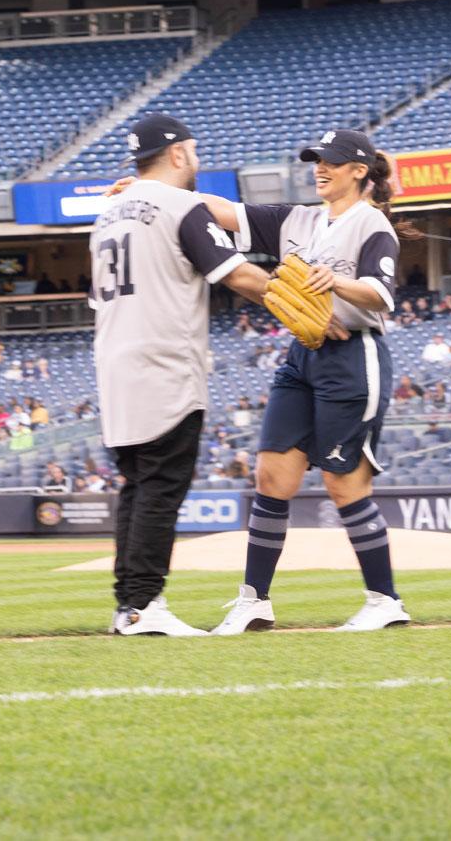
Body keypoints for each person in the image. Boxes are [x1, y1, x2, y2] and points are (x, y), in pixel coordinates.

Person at [188, 127, 415, 634]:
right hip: (302, 356)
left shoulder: (371, 224)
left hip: (354, 357)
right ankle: (254, 601)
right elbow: (214, 208)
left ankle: (385, 600)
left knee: (343, 482)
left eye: (331, 161)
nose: (320, 168)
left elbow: (381, 295)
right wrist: (148, 193)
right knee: (271, 477)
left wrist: (335, 281)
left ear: (359, 171)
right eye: (316, 160)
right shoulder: (297, 220)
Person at [93, 114, 271, 637]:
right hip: (164, 362)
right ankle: (144, 605)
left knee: (138, 485)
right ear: (177, 154)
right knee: (161, 487)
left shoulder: (105, 213)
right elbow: (236, 273)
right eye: (193, 151)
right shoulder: (182, 205)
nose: (197, 159)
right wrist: (296, 296)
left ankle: (129, 604)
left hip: (115, 360)